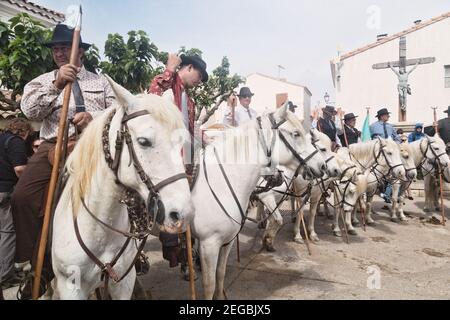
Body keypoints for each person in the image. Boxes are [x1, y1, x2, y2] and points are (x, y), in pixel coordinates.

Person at [10, 23, 115, 299]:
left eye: (64, 47)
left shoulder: (101, 81)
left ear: (80, 50)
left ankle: (130, 252)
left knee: (124, 186)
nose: (58, 52)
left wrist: (94, 119)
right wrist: (57, 84)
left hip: (92, 147)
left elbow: (117, 113)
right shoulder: (42, 81)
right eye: (55, 48)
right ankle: (37, 265)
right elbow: (30, 110)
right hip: (53, 147)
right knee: (21, 197)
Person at [148, 53, 208, 279]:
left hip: (185, 162)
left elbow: (191, 131)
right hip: (163, 161)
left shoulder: (189, 102)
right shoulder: (166, 84)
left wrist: (204, 140)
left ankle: (187, 258)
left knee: (186, 210)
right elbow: (150, 96)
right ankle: (173, 250)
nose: (199, 82)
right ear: (189, 67)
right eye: (199, 76)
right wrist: (169, 69)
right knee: (170, 212)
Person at [0, 119, 33, 299]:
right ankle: (5, 275)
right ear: (24, 132)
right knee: (8, 232)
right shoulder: (16, 142)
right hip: (5, 192)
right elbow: (20, 169)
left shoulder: (1, 139)